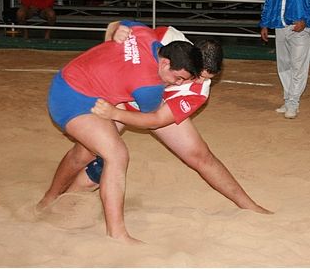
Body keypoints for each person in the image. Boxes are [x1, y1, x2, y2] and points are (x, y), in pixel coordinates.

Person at [64, 22, 272, 221]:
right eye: (199, 75)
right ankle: (54, 196)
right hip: (120, 96)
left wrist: (114, 115)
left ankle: (248, 205)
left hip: (151, 109)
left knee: (201, 156)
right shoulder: (167, 38)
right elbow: (121, 41)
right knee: (83, 152)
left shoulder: (199, 90)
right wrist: (115, 33)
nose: (201, 81)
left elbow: (156, 120)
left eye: (208, 78)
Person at [37, 21, 203, 243]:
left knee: (85, 152)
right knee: (117, 155)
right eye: (177, 78)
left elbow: (118, 24)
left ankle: (48, 200)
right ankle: (117, 233)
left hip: (67, 81)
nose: (176, 84)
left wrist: (113, 33)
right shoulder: (149, 86)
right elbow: (149, 119)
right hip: (74, 101)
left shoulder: (145, 34)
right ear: (164, 63)